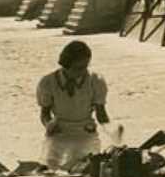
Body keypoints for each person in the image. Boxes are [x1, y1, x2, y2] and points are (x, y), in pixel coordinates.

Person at [36, 40, 110, 170]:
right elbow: (44, 113)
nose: (82, 71)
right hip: (59, 134)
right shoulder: (47, 82)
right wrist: (49, 125)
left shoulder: (95, 80)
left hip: (86, 133)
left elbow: (101, 113)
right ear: (65, 65)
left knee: (84, 172)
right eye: (78, 68)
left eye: (85, 66)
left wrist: (112, 130)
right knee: (52, 173)